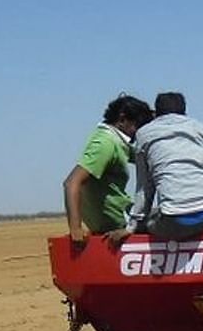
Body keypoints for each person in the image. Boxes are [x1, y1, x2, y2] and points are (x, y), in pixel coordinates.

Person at [121, 91, 203, 241]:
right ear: (184, 111)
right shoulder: (200, 128)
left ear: (156, 113)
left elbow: (144, 188)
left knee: (148, 222)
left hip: (174, 221)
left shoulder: (144, 134)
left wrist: (132, 226)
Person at [63, 95, 153, 246]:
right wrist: (75, 228)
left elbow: (142, 156)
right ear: (123, 119)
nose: (139, 133)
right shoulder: (106, 143)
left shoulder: (117, 141)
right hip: (119, 221)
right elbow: (71, 182)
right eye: (137, 126)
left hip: (121, 216)